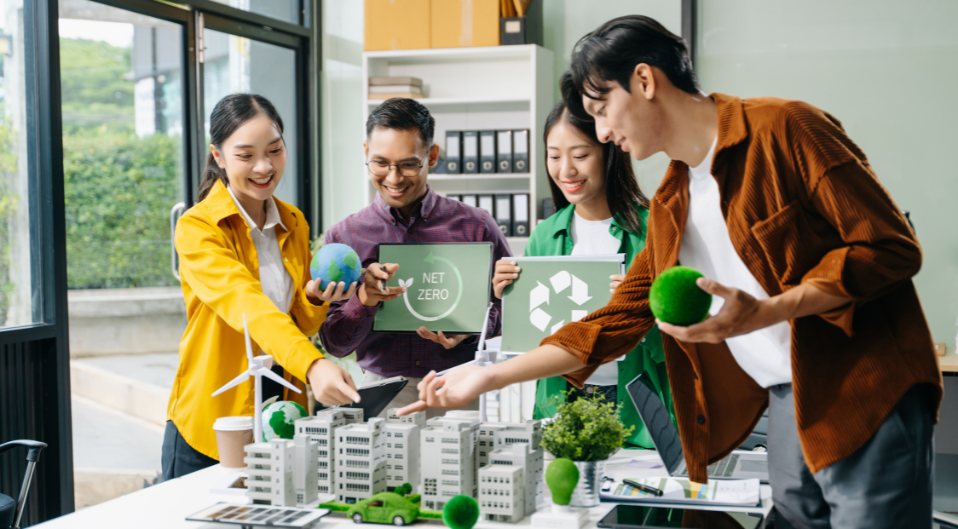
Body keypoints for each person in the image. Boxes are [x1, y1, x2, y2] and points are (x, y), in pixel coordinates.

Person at [400, 15, 943, 528]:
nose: (603, 131)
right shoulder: (671, 203)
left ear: (643, 80)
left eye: (602, 107)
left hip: (861, 385)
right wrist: (488, 374)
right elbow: (613, 323)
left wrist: (768, 311)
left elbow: (890, 247)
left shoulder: (785, 127)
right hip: (784, 397)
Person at [163, 94, 360, 480]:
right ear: (218, 157)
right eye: (245, 155)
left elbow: (297, 322)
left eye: (274, 150)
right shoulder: (198, 227)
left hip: (278, 417)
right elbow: (246, 304)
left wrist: (314, 297)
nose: (264, 166)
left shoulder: (293, 221)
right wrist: (314, 363)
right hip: (214, 423)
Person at [491, 92, 673, 449]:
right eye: (554, 156)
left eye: (580, 155)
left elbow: (682, 344)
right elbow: (531, 340)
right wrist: (506, 300)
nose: (566, 171)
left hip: (636, 410)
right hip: (560, 403)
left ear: (610, 152)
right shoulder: (546, 233)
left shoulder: (655, 229)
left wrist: (648, 309)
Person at [318, 98, 511, 418]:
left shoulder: (476, 225)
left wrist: (473, 328)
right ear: (366, 152)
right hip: (382, 394)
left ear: (431, 156)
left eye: (408, 164)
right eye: (380, 163)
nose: (393, 178)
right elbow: (336, 344)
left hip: (459, 386)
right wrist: (364, 300)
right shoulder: (344, 238)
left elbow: (510, 307)